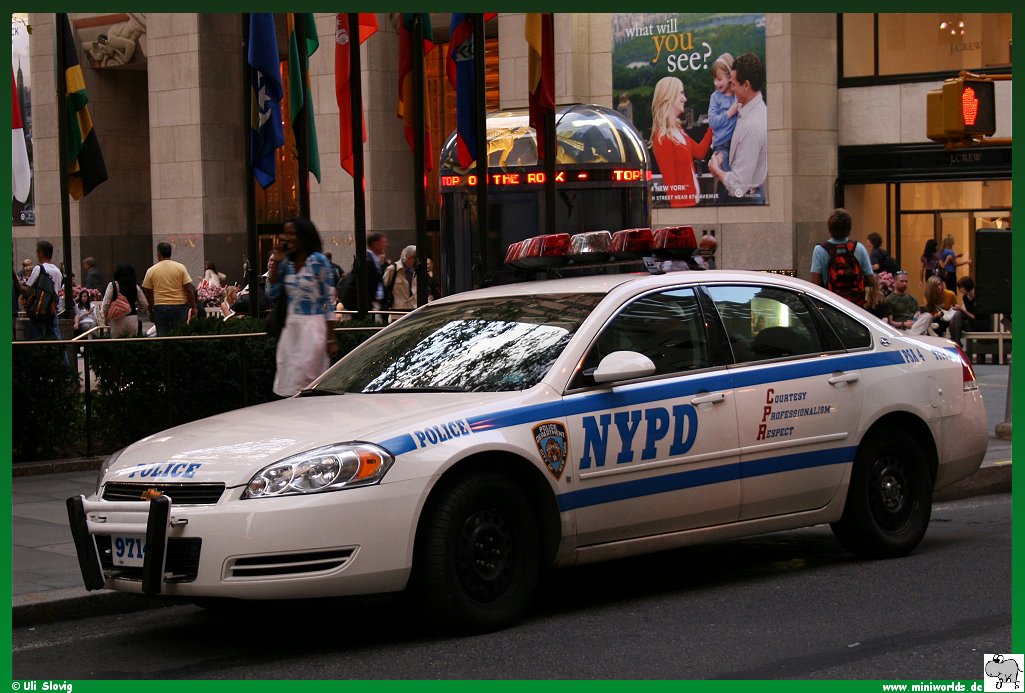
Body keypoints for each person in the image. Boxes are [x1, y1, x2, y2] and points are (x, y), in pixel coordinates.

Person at [267, 216, 338, 397]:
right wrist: (276, 262)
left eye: (292, 233)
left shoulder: (318, 261)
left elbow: (327, 300)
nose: (287, 238)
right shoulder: (287, 263)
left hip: (312, 328)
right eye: (285, 233)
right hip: (290, 330)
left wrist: (331, 337)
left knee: (308, 381)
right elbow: (272, 292)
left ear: (303, 235)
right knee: (288, 381)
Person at [708, 52, 767, 204]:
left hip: (744, 200)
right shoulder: (748, 110)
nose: (731, 89)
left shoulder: (752, 125)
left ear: (746, 85)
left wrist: (716, 169)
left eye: (733, 84)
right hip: (745, 197)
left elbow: (738, 187)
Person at [649, 76, 713, 208]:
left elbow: (700, 152)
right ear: (669, 96)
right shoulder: (662, 137)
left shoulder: (678, 131)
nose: (685, 99)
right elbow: (671, 186)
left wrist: (713, 127)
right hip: (685, 207)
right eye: (681, 93)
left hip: (694, 203)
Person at [809, 208, 877, 307]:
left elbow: (815, 283)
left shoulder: (820, 250)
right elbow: (870, 280)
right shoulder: (858, 248)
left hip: (831, 304)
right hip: (855, 305)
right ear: (849, 228)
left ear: (829, 228)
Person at [141, 242, 198, 336]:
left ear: (158, 254)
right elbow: (188, 290)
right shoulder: (180, 268)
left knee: (163, 337)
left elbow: (148, 293)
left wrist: (151, 309)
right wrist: (194, 307)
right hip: (179, 306)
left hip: (160, 307)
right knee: (179, 336)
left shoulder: (151, 270)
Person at [706, 52, 738, 200]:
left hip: (737, 145)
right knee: (725, 181)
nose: (716, 83)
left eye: (719, 79)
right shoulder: (715, 97)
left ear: (730, 77)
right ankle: (721, 203)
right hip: (722, 146)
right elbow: (712, 121)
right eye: (714, 79)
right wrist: (729, 113)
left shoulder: (737, 94)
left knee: (737, 179)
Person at [16, 241, 63, 340]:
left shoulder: (39, 268)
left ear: (41, 253)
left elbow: (27, 290)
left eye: (37, 252)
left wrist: (16, 281)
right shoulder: (58, 271)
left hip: (39, 310)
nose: (36, 254)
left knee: (37, 340)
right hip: (52, 311)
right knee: (55, 340)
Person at [101, 262, 149, 337]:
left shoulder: (113, 286)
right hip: (132, 317)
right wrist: (137, 310)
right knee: (131, 341)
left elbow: (106, 304)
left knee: (117, 341)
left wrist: (105, 317)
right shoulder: (135, 287)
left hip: (116, 318)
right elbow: (145, 304)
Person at [382, 245, 418, 317]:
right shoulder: (393, 269)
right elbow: (383, 288)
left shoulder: (416, 270)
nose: (417, 262)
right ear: (409, 258)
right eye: (415, 259)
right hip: (397, 311)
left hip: (413, 310)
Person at [924, 274, 963, 341]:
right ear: (931, 288)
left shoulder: (950, 294)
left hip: (950, 319)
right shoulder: (928, 298)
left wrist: (955, 309)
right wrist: (938, 315)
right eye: (936, 286)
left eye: (939, 284)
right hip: (937, 319)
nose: (939, 287)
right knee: (935, 325)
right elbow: (930, 314)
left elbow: (956, 308)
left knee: (953, 321)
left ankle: (956, 342)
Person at [365, 232, 389, 312]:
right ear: (375, 244)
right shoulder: (367, 260)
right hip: (371, 304)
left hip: (378, 302)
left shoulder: (376, 260)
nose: (386, 245)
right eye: (383, 242)